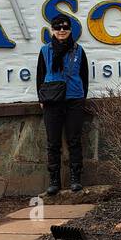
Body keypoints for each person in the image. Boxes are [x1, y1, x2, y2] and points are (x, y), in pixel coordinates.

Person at [36, 14, 89, 195]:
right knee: (53, 142)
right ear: (52, 30)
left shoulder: (78, 50)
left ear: (70, 30)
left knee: (74, 140)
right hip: (52, 100)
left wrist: (82, 96)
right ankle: (54, 180)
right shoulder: (45, 50)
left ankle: (76, 179)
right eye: (57, 27)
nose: (61, 30)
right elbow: (40, 75)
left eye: (65, 27)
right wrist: (41, 98)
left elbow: (84, 76)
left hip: (74, 99)